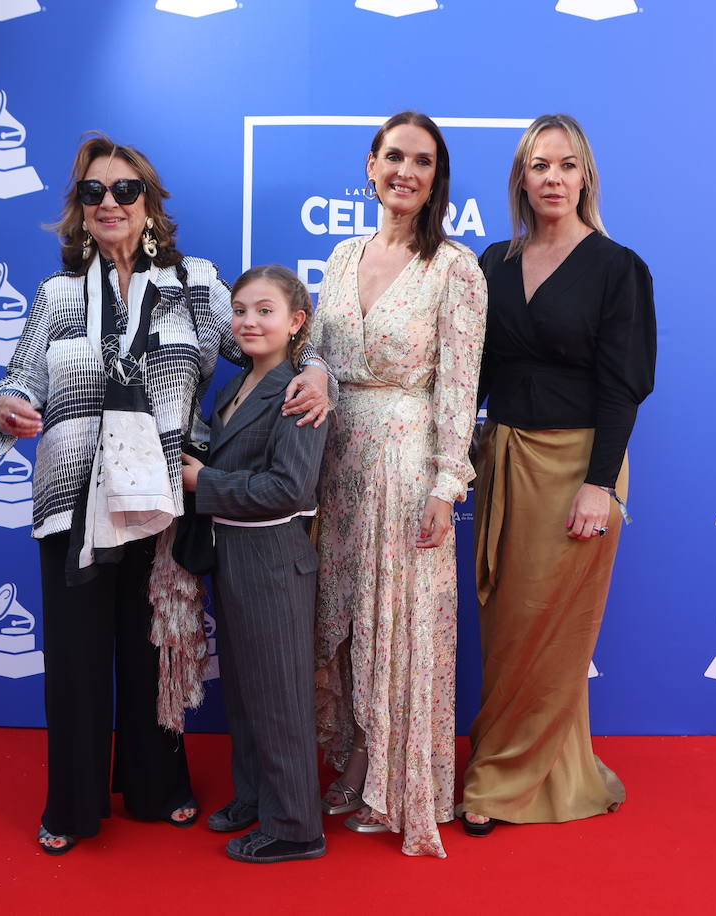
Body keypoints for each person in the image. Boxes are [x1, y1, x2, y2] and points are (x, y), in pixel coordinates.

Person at [0, 134, 331, 856]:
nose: (110, 203)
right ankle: (72, 808)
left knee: (153, 648)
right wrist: (3, 408)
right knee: (74, 660)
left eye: (125, 190)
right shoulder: (56, 294)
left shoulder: (196, 282)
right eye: (94, 192)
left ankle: (157, 787)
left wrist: (317, 369)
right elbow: (19, 377)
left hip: (165, 496)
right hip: (74, 494)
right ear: (79, 208)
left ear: (149, 204)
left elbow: (266, 340)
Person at [459, 114, 656, 837]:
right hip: (506, 461)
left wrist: (599, 484)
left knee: (554, 628)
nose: (552, 178)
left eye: (566, 165)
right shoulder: (491, 263)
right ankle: (553, 767)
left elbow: (623, 384)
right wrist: (447, 452)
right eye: (539, 166)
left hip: (581, 465)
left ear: (586, 177)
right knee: (511, 627)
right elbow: (473, 374)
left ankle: (499, 781)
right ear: (521, 178)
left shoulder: (617, 267)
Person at [311, 111, 488, 858]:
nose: (404, 172)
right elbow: (316, 351)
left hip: (407, 460)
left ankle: (388, 771)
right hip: (333, 459)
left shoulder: (455, 267)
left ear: (435, 176)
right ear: (371, 165)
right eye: (393, 157)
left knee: (399, 623)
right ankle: (352, 750)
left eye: (421, 161)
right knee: (341, 615)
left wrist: (447, 485)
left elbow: (458, 385)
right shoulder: (342, 255)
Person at [181, 265, 328, 865]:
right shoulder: (234, 386)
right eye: (240, 310)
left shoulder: (298, 391)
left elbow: (289, 488)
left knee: (280, 695)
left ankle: (296, 826)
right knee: (243, 692)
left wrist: (203, 481)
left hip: (273, 557)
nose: (248, 321)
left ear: (295, 323)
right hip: (233, 553)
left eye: (265, 310)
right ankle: (256, 796)